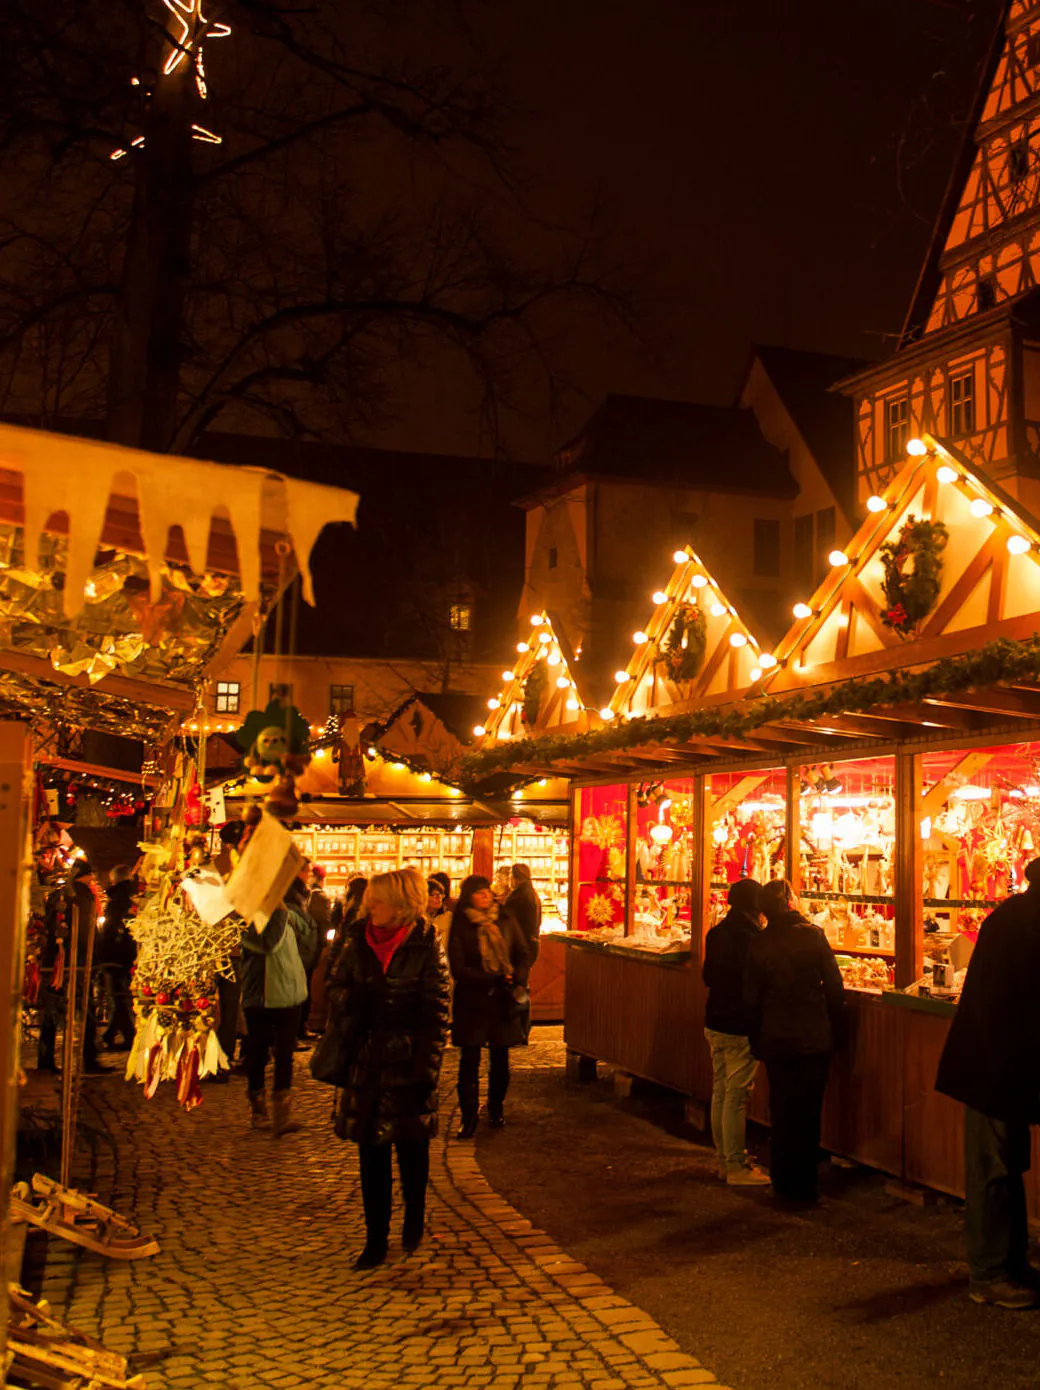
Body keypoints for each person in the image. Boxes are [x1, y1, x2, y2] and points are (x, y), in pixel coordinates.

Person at [325, 869, 449, 1270]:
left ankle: (413, 1220)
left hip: (408, 1061)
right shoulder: (357, 938)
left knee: (412, 1150)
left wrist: (426, 1067)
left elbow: (436, 1013)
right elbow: (335, 985)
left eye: (376, 901)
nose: (368, 907)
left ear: (400, 906)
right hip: (366, 1059)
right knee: (370, 1152)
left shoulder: (427, 944)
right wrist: (353, 1001)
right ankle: (375, 1238)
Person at [935, 858, 1040, 1309]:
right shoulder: (1025, 923)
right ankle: (991, 1274)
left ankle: (1007, 1265)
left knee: (1000, 1169)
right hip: (999, 1064)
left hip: (995, 1062)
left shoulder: (1011, 917)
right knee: (995, 1170)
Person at [744, 878, 845, 1203]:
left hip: (776, 1036)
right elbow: (834, 987)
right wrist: (835, 1029)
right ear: (789, 901)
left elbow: (751, 997)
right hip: (812, 1036)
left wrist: (756, 1038)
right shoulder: (813, 935)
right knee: (808, 1111)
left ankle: (783, 1183)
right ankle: (805, 1186)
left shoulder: (759, 942)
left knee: (783, 1109)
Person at [449, 873, 534, 1138]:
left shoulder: (506, 919)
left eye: (487, 891)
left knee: (500, 1059)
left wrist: (517, 976)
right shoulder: (462, 924)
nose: (486, 895)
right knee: (470, 1060)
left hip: (502, 1000)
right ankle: (469, 1116)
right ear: (468, 897)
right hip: (472, 1001)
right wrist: (489, 977)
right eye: (479, 891)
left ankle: (496, 1108)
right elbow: (459, 967)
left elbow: (523, 952)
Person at [702, 878, 769, 1185]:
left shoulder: (716, 934)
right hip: (740, 1023)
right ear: (756, 907)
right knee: (737, 1095)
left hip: (715, 1019)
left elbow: (707, 976)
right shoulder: (753, 938)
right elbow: (758, 981)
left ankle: (722, 1158)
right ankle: (735, 1165)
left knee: (721, 1089)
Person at [240, 897, 309, 1134]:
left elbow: (306, 933)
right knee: (258, 1053)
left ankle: (283, 1113)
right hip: (262, 997)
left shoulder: (287, 913)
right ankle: (258, 1110)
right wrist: (280, 913)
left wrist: (291, 910)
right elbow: (269, 943)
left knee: (285, 1055)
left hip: (290, 994)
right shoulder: (247, 918)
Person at [97, 866, 137, 1052]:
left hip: (115, 955)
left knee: (118, 996)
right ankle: (112, 1034)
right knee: (118, 997)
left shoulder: (117, 902)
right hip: (124, 954)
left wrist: (104, 951)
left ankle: (129, 1037)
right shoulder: (129, 899)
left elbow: (111, 930)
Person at [285, 875, 320, 1041]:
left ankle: (294, 1034)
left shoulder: (290, 912)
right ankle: (294, 1035)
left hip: (299, 960)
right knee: (297, 1000)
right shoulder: (294, 912)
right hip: (301, 960)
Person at [505, 863, 542, 969]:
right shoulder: (532, 893)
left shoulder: (518, 896)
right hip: (531, 945)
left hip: (520, 947)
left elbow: (510, 922)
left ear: (513, 877)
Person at [426, 879, 453, 952]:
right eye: (434, 895)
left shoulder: (448, 916)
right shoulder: (418, 917)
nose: (438, 898)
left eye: (440, 894)